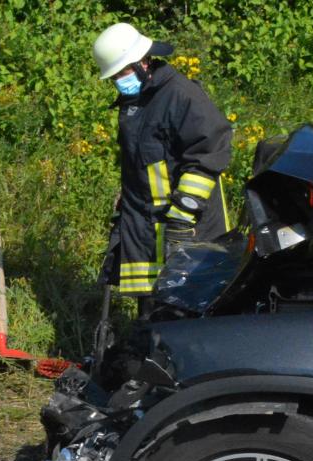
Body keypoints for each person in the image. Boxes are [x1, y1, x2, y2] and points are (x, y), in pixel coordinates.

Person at [92, 23, 232, 315]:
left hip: (188, 227)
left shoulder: (181, 95)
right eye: (115, 76)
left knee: (188, 315)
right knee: (152, 314)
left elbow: (209, 152)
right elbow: (144, 159)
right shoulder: (136, 101)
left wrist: (183, 214)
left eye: (122, 72)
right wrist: (127, 195)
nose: (119, 81)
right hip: (145, 225)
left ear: (143, 62)